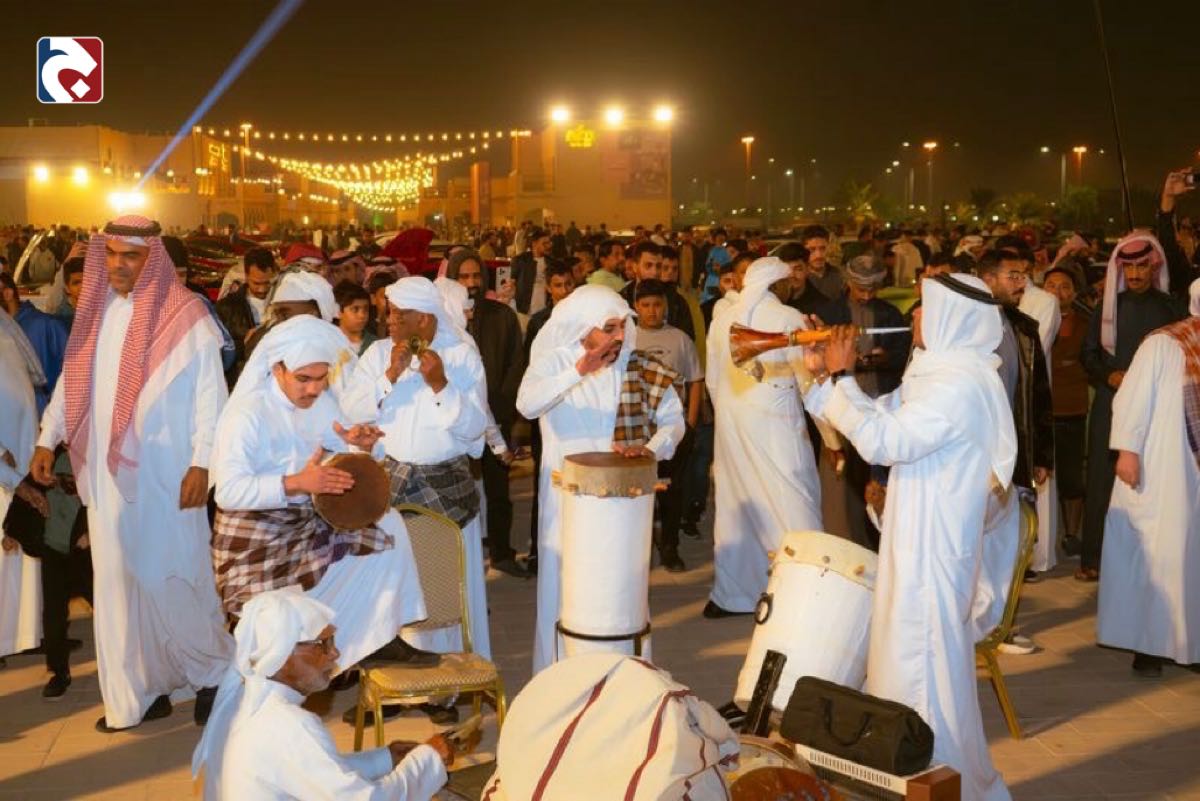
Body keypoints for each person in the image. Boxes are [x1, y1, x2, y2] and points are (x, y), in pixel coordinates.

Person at [803, 273, 1017, 801]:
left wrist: (843, 375)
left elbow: (883, 442)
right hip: (914, 540)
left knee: (922, 676)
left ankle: (940, 784)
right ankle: (910, 779)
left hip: (933, 552)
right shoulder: (936, 373)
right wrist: (822, 378)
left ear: (950, 318)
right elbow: (875, 417)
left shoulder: (960, 385)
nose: (915, 316)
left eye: (923, 308)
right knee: (905, 668)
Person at [31, 215, 233, 732]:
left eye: (132, 256)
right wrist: (47, 438)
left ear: (153, 259)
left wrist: (203, 461)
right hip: (105, 477)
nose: (119, 265)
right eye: (112, 254)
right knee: (118, 584)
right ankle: (142, 688)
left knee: (172, 577)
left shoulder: (186, 316)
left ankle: (214, 674)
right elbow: (72, 385)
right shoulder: (95, 313)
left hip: (168, 475)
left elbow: (211, 398)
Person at [210, 314, 431, 668]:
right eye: (303, 379)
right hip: (254, 541)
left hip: (307, 524)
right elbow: (228, 492)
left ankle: (377, 638)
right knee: (277, 637)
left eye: (321, 378)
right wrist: (296, 483)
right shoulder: (246, 415)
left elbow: (340, 457)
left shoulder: (321, 403)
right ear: (278, 369)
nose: (313, 389)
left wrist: (359, 447)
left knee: (389, 526)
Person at [517, 285, 685, 673]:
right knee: (567, 588)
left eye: (623, 325)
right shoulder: (555, 362)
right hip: (567, 503)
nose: (620, 335)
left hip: (623, 507)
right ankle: (564, 676)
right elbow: (526, 406)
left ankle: (626, 675)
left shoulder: (636, 366)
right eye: (610, 327)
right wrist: (580, 370)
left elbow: (674, 421)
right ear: (583, 327)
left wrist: (651, 450)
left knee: (621, 590)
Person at [193, 588, 451, 801]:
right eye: (322, 644)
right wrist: (428, 760)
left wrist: (384, 759)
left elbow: (310, 770)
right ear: (282, 654)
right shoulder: (289, 725)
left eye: (333, 642)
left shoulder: (244, 700)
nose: (335, 654)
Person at [352, 277, 490, 667]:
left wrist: (441, 385)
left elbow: (474, 430)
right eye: (389, 313)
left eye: (398, 315)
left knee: (448, 590)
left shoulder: (461, 356)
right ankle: (401, 682)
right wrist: (389, 377)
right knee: (399, 593)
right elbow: (350, 409)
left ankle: (451, 681)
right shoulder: (378, 354)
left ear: (424, 319)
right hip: (393, 490)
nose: (389, 321)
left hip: (446, 493)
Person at [704, 257, 829, 617]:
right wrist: (832, 437)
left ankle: (735, 595)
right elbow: (809, 382)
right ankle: (807, 595)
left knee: (739, 507)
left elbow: (713, 381)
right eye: (789, 282)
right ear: (779, 285)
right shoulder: (788, 318)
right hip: (778, 427)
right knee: (793, 503)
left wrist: (729, 418)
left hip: (732, 426)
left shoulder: (722, 319)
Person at [1098, 279, 1200, 677]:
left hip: (1192, 472)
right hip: (1163, 466)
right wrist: (1128, 449)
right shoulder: (1164, 343)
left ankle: (1190, 644)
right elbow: (1132, 397)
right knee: (1158, 554)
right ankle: (1149, 645)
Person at [1078, 233, 1184, 581]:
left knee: (1151, 480)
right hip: (1111, 403)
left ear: (1154, 266)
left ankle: (1149, 561)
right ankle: (1093, 559)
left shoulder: (1171, 309)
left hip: (1156, 409)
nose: (1135, 274)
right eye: (1129, 267)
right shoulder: (1108, 308)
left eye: (1142, 266)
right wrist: (1110, 376)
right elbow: (1088, 355)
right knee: (1101, 479)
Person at [817, 255, 911, 549]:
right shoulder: (829, 313)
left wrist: (884, 358)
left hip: (881, 408)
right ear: (848, 282)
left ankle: (880, 543)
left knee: (880, 484)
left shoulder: (891, 314)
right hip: (840, 410)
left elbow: (903, 354)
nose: (867, 296)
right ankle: (847, 546)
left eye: (873, 289)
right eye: (861, 289)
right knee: (843, 488)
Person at [446, 250, 528, 578]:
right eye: (463, 277)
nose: (471, 283)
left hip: (497, 413)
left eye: (476, 276)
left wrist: (502, 407)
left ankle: (501, 552)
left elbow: (516, 363)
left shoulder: (501, 316)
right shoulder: (444, 321)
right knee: (455, 489)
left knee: (498, 490)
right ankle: (456, 559)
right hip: (454, 420)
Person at [633, 279, 703, 572]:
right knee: (639, 492)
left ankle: (671, 547)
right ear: (636, 307)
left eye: (657, 305)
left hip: (673, 431)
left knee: (672, 492)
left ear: (666, 306)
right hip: (637, 432)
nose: (652, 311)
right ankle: (640, 550)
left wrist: (690, 422)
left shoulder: (680, 339)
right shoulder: (627, 339)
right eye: (646, 305)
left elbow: (695, 380)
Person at [521, 262, 577, 575]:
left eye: (569, 284)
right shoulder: (540, 322)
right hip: (545, 414)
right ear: (548, 289)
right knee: (544, 480)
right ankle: (538, 550)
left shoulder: (585, 321)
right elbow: (530, 372)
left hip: (576, 416)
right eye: (558, 285)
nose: (564, 291)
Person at [0, 312, 42, 667]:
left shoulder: (7, 332)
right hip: (5, 462)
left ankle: (25, 635)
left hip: (22, 453)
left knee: (22, 554)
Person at [1043, 267, 1091, 555]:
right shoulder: (1032, 319)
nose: (1058, 292)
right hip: (1041, 411)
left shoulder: (1086, 323)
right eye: (1051, 285)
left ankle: (1072, 534)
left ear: (1074, 292)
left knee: (1072, 477)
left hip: (1072, 409)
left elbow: (1090, 361)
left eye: (1064, 286)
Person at [1, 272, 68, 414]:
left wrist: (52, 406)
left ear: (7, 293)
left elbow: (72, 370)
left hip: (44, 415)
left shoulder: (47, 325)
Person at [216, 247, 277, 380]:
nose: (262, 289)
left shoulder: (283, 302)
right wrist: (244, 344)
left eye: (267, 283)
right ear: (246, 276)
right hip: (242, 380)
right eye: (256, 283)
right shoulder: (226, 307)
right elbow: (218, 352)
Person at [512, 227, 555, 314]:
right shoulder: (520, 260)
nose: (548, 246)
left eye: (549, 242)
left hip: (545, 306)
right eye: (544, 243)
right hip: (524, 307)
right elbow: (512, 281)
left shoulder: (551, 262)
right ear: (534, 244)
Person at [334, 279, 378, 356]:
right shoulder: (328, 342)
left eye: (366, 309)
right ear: (339, 311)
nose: (362, 315)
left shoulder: (375, 344)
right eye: (355, 309)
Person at [800, 225, 842, 300]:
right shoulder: (798, 277)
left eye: (823, 248)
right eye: (812, 249)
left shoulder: (839, 275)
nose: (818, 255)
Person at [57, 256, 86, 332]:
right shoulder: (61, 319)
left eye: (86, 281)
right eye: (76, 283)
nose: (82, 287)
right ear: (67, 288)